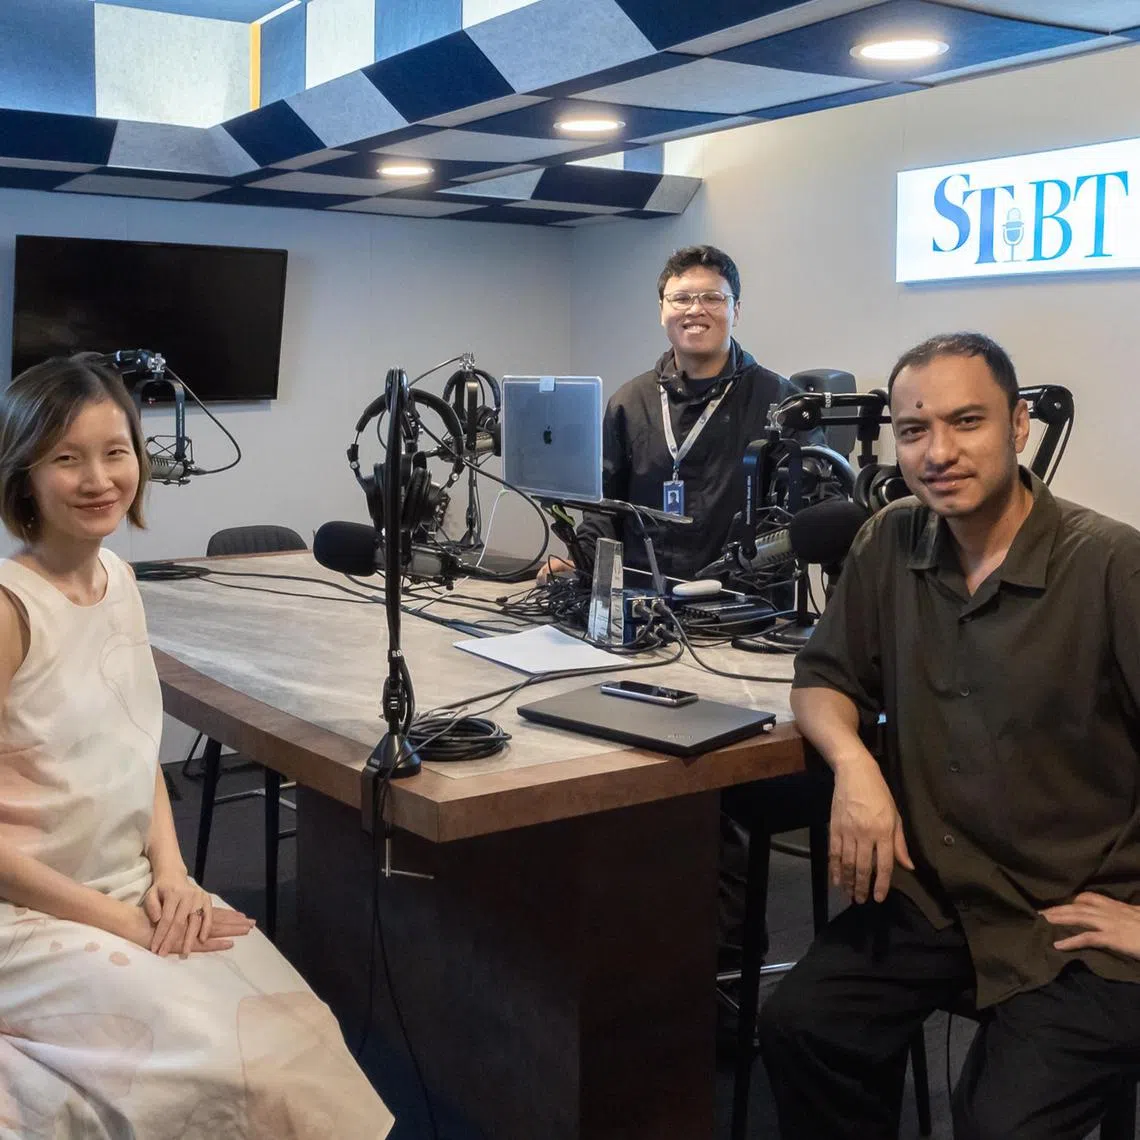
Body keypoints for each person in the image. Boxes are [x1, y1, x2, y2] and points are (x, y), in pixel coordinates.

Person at [0, 355, 394, 1139]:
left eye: (116, 452)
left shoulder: (119, 577)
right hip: (29, 911)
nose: (99, 478)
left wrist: (176, 878)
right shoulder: (11, 611)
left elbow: (132, 744)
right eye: (66, 459)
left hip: (134, 882)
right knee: (226, 1060)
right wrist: (121, 925)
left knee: (296, 1027)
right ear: (24, 476)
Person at [758, 332, 1140, 1140]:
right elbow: (822, 678)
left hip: (1074, 915)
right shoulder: (891, 538)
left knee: (997, 1122)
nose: (939, 452)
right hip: (940, 894)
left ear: (1019, 426)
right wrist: (855, 766)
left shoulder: (1111, 567)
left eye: (967, 422)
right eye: (913, 430)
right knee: (804, 1027)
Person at [539, 243, 819, 582]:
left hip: (745, 609)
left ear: (737, 311)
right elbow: (604, 510)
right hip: (644, 608)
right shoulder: (630, 402)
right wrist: (579, 563)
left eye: (712, 298)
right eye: (681, 299)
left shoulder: (781, 402)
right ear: (662, 311)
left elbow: (809, 507)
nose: (695, 310)